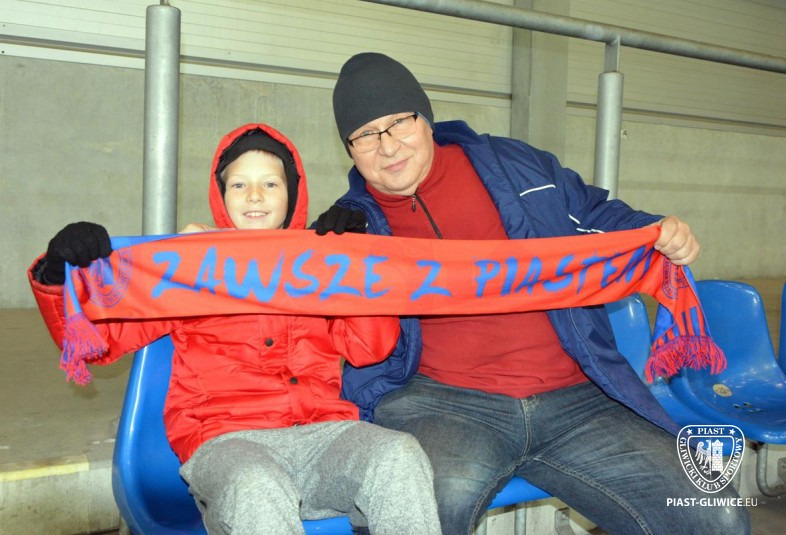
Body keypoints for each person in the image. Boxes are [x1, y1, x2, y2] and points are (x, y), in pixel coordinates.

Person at [314, 52, 750, 535]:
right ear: (349, 149)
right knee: (415, 514)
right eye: (365, 134)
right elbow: (289, 300)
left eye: (399, 122)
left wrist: (657, 229)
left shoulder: (515, 166)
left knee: (715, 515)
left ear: (426, 119)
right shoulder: (349, 226)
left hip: (578, 400)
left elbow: (596, 215)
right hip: (441, 406)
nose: (388, 145)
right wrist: (325, 254)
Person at [28, 123, 442, 535]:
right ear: (221, 195)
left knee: (398, 455)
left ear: (292, 195)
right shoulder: (189, 268)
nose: (255, 196)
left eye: (270, 184)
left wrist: (357, 268)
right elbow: (96, 342)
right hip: (229, 443)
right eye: (239, 185)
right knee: (256, 485)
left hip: (323, 437)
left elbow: (370, 348)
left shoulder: (317, 267)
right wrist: (59, 277)